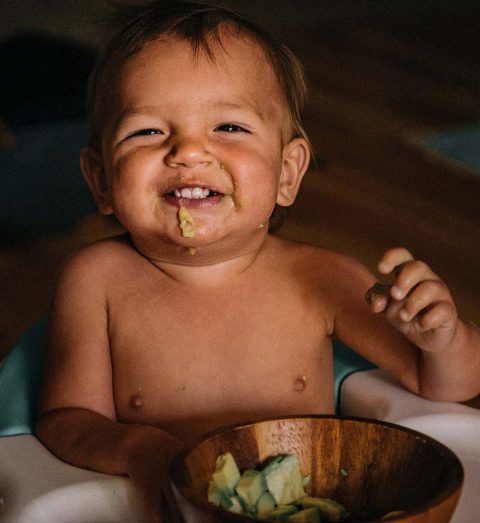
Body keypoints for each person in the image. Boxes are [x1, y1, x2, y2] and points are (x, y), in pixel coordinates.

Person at [35, 2, 480, 521]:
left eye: (228, 126)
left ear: (288, 172)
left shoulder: (322, 278)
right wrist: (138, 449)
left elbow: (447, 386)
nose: (190, 152)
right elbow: (66, 419)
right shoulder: (97, 280)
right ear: (101, 180)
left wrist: (442, 338)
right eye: (147, 132)